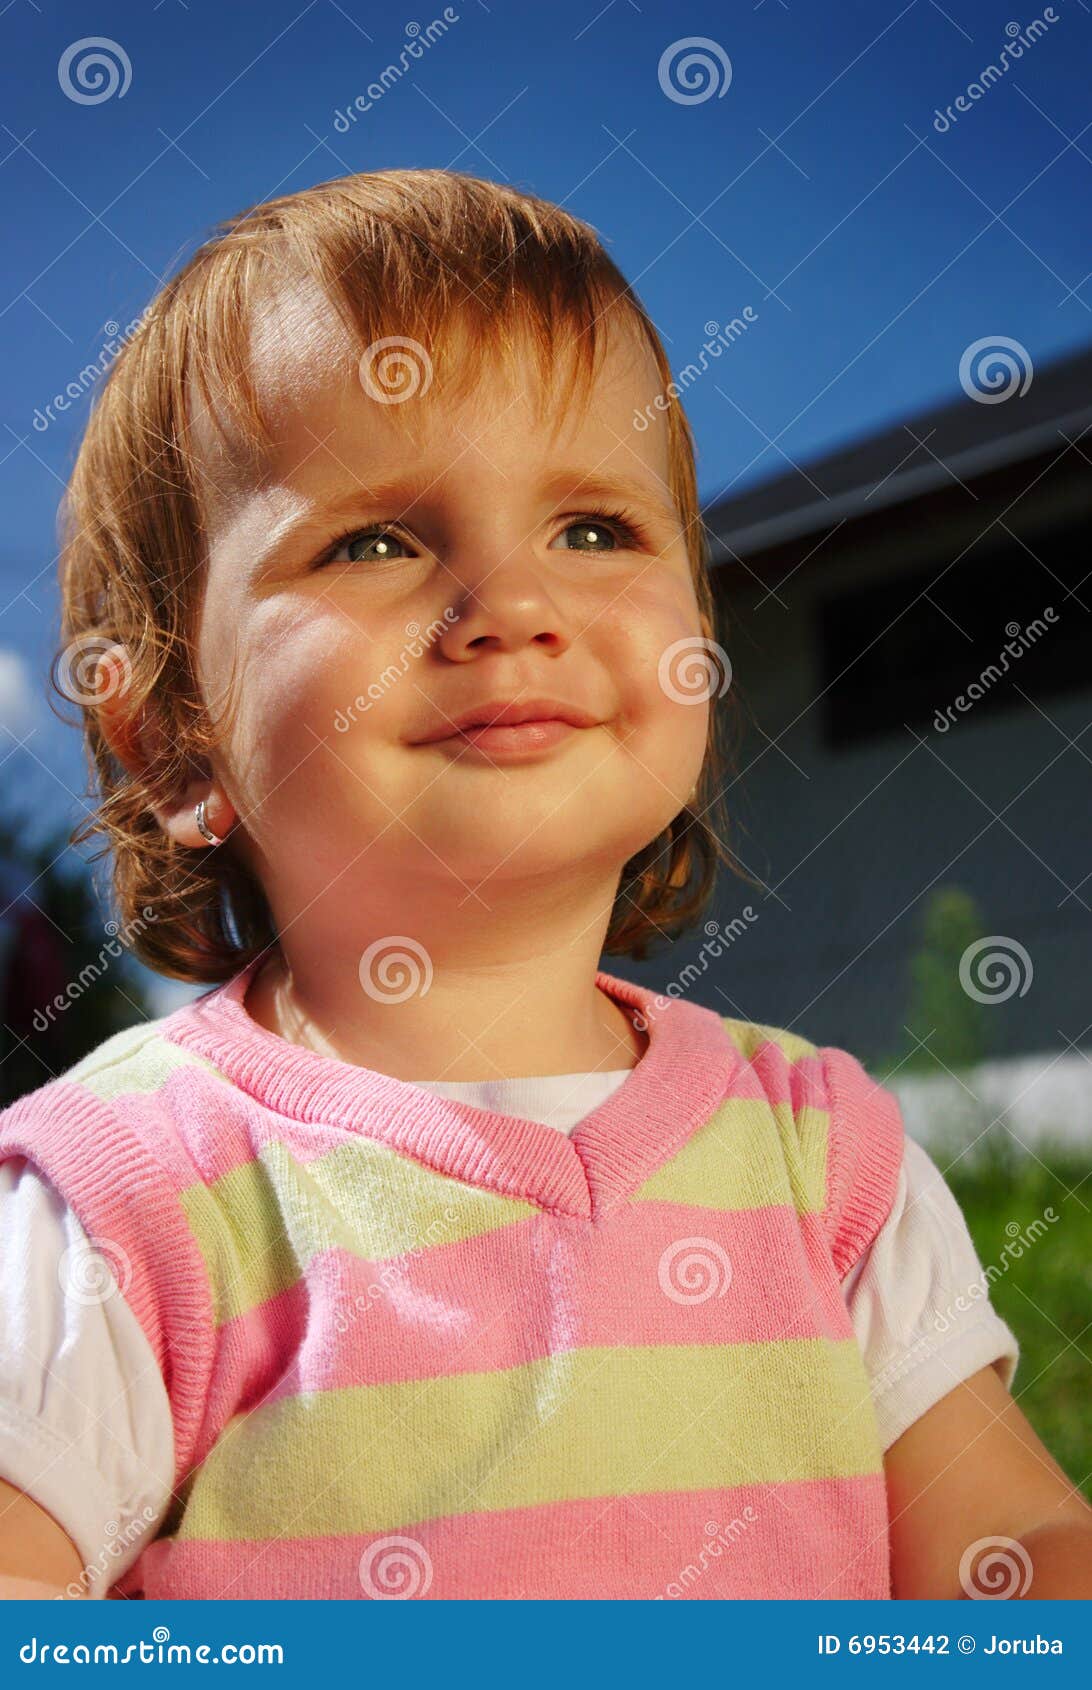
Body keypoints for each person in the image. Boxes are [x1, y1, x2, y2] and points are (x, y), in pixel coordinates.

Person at [1, 169, 1089, 1602]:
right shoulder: (124, 1198)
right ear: (171, 745)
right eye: (377, 540)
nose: (516, 602)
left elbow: (1016, 1563)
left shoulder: (825, 1162)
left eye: (596, 530)